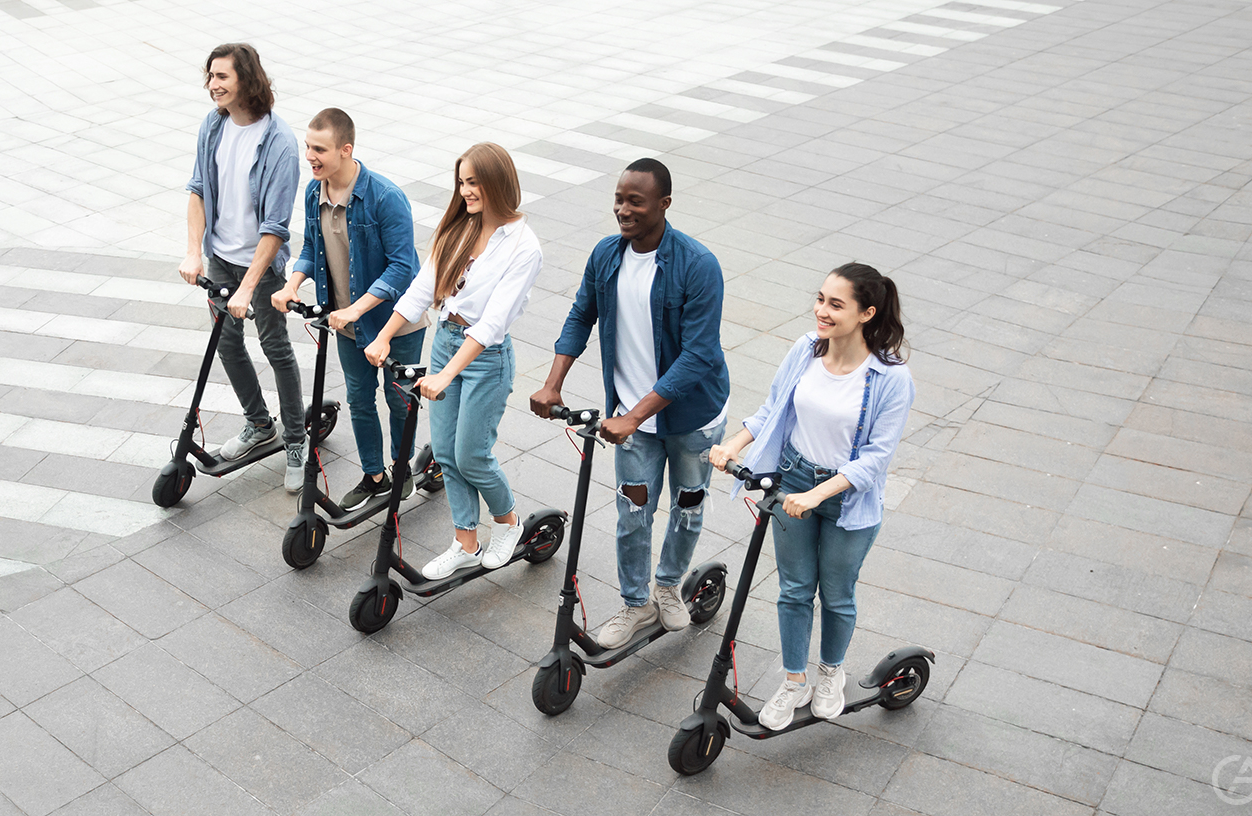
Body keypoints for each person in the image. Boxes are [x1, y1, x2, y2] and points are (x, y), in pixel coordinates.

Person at [530, 158, 729, 649]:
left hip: (692, 419)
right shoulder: (606, 255)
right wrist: (553, 383)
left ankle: (668, 585)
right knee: (633, 513)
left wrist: (634, 416)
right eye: (619, 199)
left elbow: (698, 355)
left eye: (635, 201)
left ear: (664, 204)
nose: (623, 210)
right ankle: (637, 603)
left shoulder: (697, 265)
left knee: (687, 506)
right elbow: (581, 314)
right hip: (631, 422)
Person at [707, 262, 913, 730]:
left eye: (836, 304)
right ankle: (794, 680)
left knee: (837, 594)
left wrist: (819, 494)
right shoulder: (805, 349)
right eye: (820, 299)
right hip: (793, 479)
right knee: (795, 589)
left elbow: (876, 459)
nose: (821, 310)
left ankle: (831, 673)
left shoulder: (890, 378)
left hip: (846, 497)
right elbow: (772, 409)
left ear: (866, 313)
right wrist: (734, 445)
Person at [367, 143, 540, 579]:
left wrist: (446, 374)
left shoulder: (524, 247)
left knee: (472, 455)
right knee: (445, 451)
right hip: (445, 341)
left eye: (474, 182)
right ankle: (466, 542)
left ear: (498, 182)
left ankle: (509, 522)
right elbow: (422, 289)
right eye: (461, 182)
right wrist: (385, 336)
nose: (465, 191)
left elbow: (493, 323)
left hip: (486, 358)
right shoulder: (459, 228)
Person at [271, 108, 425, 510]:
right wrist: (291, 284)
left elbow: (402, 267)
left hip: (396, 323)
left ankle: (402, 468)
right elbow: (312, 248)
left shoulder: (385, 197)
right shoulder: (314, 192)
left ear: (345, 149)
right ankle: (374, 476)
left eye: (319, 149)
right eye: (308, 147)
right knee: (359, 399)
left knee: (398, 400)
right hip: (346, 322)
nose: (310, 156)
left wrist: (357, 308)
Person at [180, 42, 306, 491]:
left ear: (246, 81)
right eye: (210, 76)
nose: (212, 85)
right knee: (228, 343)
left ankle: (296, 440)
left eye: (222, 77)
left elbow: (276, 227)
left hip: (262, 267)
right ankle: (259, 424)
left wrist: (249, 286)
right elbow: (198, 189)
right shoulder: (213, 126)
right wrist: (194, 252)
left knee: (276, 348)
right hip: (220, 259)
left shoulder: (279, 143)